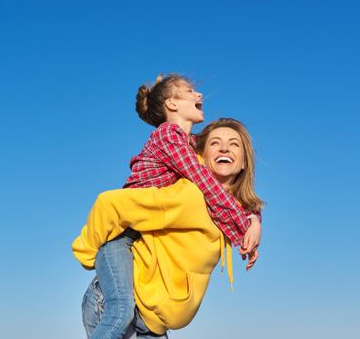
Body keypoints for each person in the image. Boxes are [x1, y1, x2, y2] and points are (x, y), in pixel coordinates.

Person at [72, 74, 261, 339]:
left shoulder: (189, 144)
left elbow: (230, 187)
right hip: (121, 237)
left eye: (233, 145)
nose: (199, 95)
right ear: (171, 104)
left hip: (149, 313)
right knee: (120, 311)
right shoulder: (170, 136)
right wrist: (243, 227)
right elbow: (204, 181)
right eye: (191, 91)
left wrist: (254, 218)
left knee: (131, 317)